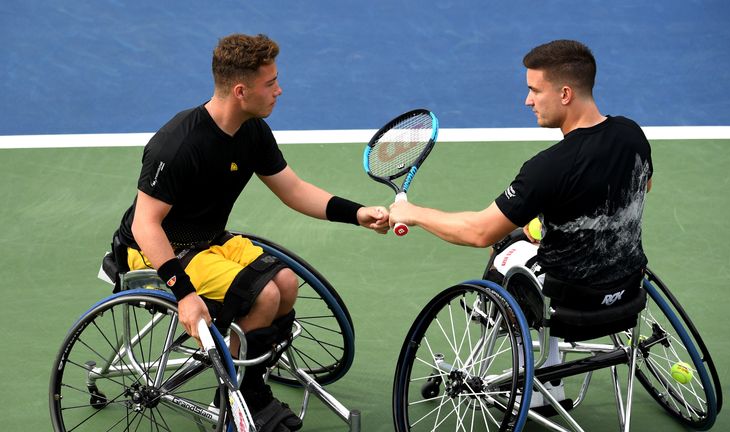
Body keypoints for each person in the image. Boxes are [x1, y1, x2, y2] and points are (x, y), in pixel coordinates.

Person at [106, 33, 389, 431]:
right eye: (270, 83)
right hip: (154, 251)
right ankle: (243, 399)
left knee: (286, 284)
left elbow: (294, 190)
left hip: (210, 241)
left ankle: (245, 381)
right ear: (241, 91)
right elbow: (144, 223)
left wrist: (357, 214)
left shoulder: (252, 131)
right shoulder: (178, 144)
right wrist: (183, 293)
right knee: (264, 294)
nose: (279, 90)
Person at [388, 39, 653, 406]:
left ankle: (536, 379)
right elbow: (643, 186)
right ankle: (550, 375)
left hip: (570, 305)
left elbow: (479, 231)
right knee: (532, 236)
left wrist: (412, 213)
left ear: (564, 93)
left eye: (534, 90)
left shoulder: (547, 168)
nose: (528, 101)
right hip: (627, 293)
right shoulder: (632, 134)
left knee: (505, 252)